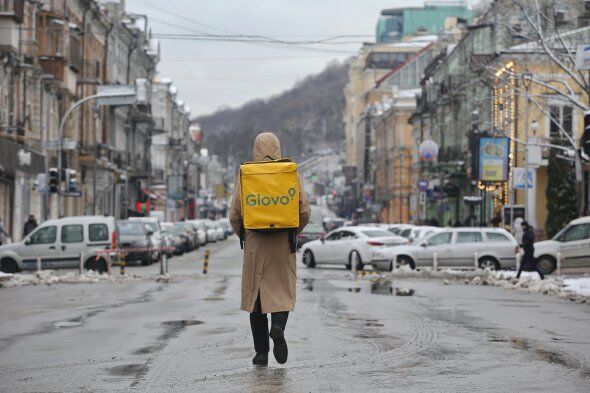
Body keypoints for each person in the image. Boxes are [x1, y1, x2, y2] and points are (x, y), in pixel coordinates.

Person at [229, 132, 311, 367]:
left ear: (255, 149)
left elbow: (235, 214)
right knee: (281, 292)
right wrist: (292, 231)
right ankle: (278, 327)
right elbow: (304, 210)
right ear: (277, 148)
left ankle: (261, 353)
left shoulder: (246, 174)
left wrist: (245, 235)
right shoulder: (289, 172)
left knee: (256, 298)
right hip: (282, 242)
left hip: (255, 243)